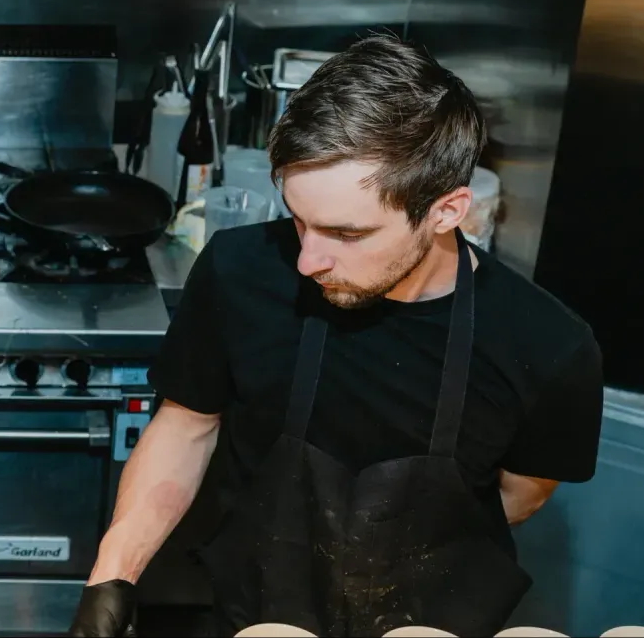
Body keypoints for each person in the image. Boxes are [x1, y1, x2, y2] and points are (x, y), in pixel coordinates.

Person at [68, 35, 605, 638]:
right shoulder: (239, 271)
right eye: (298, 220)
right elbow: (187, 424)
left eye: (346, 234)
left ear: (447, 211)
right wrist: (114, 574)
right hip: (256, 616)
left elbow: (523, 496)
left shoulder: (548, 346)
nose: (306, 260)